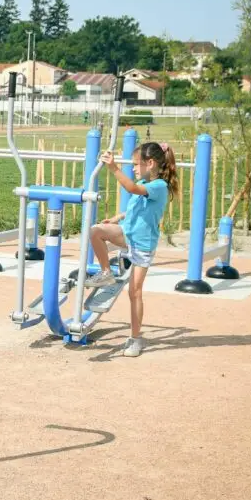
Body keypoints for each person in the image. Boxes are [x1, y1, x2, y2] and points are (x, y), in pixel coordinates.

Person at [84, 142, 178, 358]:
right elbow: (136, 207)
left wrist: (113, 168)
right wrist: (118, 218)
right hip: (128, 234)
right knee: (96, 231)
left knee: (134, 292)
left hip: (143, 245)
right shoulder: (144, 182)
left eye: (136, 165)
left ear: (151, 163)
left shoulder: (159, 186)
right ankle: (106, 272)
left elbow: (132, 189)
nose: (134, 169)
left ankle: (136, 339)